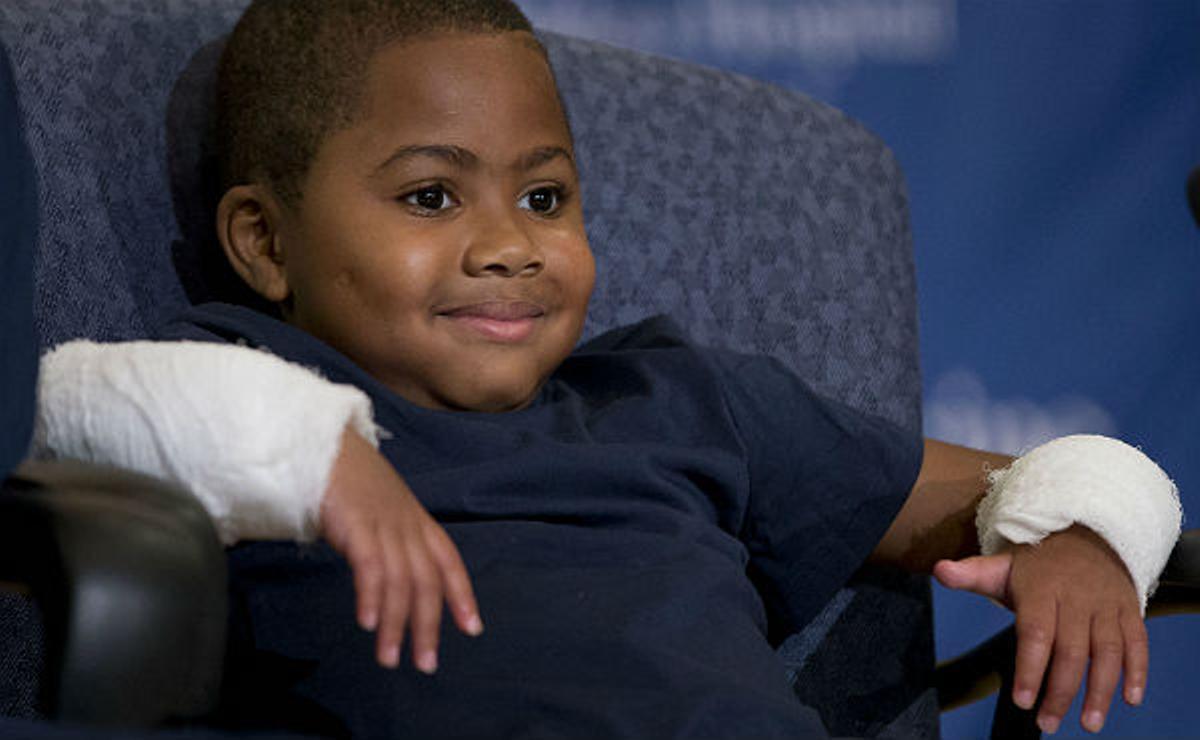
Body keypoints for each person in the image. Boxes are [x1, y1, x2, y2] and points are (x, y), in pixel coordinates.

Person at [33, 0, 1181, 737]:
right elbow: (72, 403)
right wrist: (306, 454)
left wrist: (1083, 531)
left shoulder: (677, 399)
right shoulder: (238, 379)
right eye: (431, 196)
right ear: (265, 244)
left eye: (545, 196)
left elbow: (1016, 479)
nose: (509, 243)